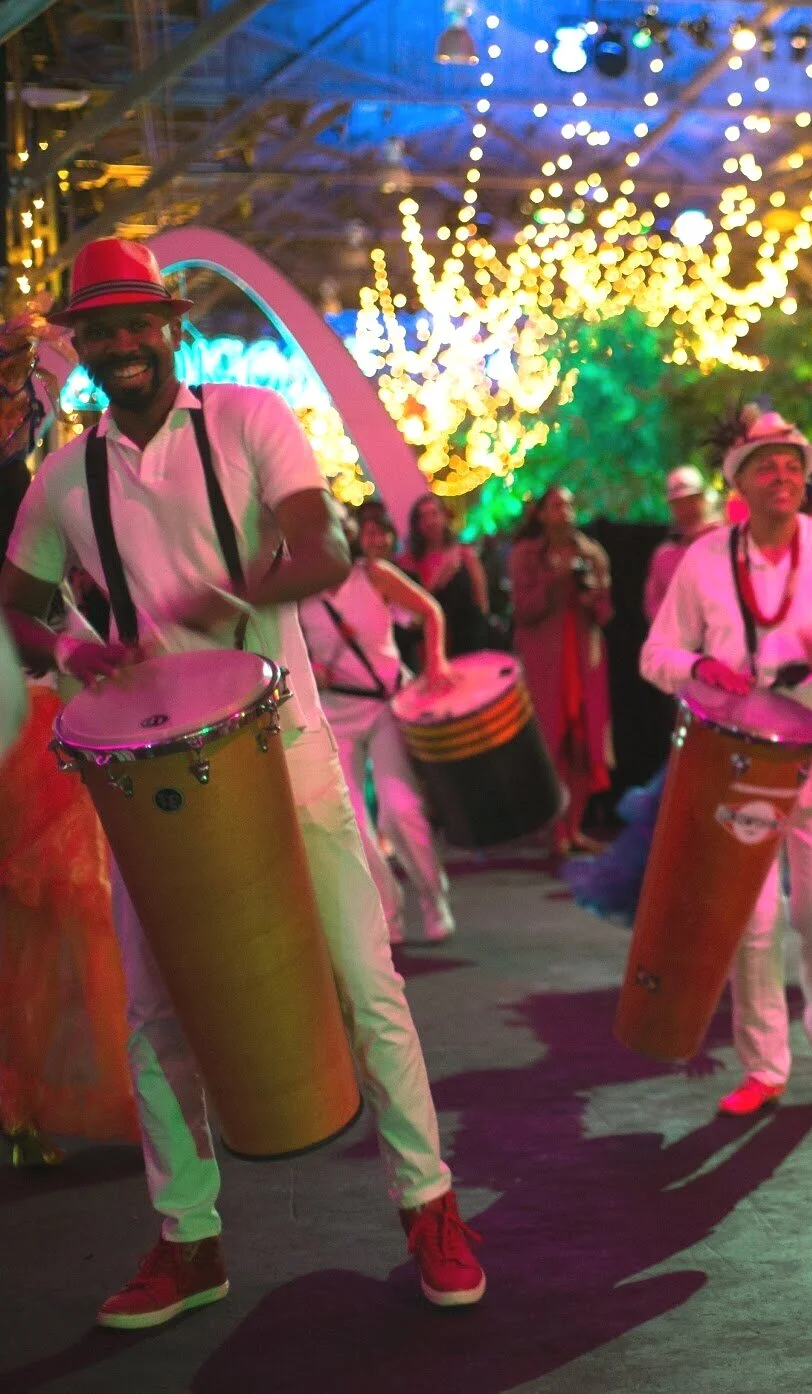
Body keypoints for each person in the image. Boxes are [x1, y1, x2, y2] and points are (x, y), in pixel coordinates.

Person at [0, 238, 482, 1324]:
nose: (122, 343)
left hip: (287, 749)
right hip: (146, 779)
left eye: (139, 322)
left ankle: (431, 1204)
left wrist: (232, 596)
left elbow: (320, 550)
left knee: (365, 981)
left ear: (171, 326)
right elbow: (20, 594)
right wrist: (74, 648)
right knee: (154, 1014)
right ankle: (191, 1240)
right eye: (100, 329)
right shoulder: (66, 472)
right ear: (79, 344)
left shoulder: (252, 422)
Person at [640, 409, 812, 1114]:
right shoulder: (704, 559)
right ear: (741, 481)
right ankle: (764, 1066)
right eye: (768, 465)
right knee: (750, 923)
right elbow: (655, 656)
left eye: (794, 464)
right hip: (735, 766)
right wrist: (699, 664)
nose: (784, 474)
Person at [299, 502, 457, 944]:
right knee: (352, 822)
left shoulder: (372, 575)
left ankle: (433, 895)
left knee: (400, 809)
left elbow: (430, 612)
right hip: (335, 714)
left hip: (387, 704)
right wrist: (312, 667)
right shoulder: (297, 599)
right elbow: (281, 656)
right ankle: (387, 910)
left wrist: (437, 662)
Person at [1, 658, 137, 1168]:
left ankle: (22, 1113)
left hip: (45, 730)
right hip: (37, 741)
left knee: (44, 937)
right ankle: (26, 1109)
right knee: (66, 929)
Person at [509, 485, 614, 857]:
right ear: (541, 513)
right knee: (550, 743)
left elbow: (606, 614)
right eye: (556, 506)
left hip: (585, 659)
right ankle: (554, 830)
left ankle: (575, 827)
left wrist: (592, 597)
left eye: (569, 505)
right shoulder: (526, 556)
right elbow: (522, 612)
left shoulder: (591, 553)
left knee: (585, 746)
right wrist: (554, 581)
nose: (565, 512)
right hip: (545, 663)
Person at [402, 493, 492, 657]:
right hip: (433, 645)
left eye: (435, 514)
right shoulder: (410, 562)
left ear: (444, 517)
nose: (430, 521)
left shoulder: (465, 554)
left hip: (469, 640)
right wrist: (438, 580)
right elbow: (413, 614)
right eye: (423, 517)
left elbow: (482, 603)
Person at [643, 465, 715, 622]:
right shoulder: (664, 556)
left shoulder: (725, 542)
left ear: (702, 500)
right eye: (679, 504)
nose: (686, 509)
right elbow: (653, 605)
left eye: (691, 501)